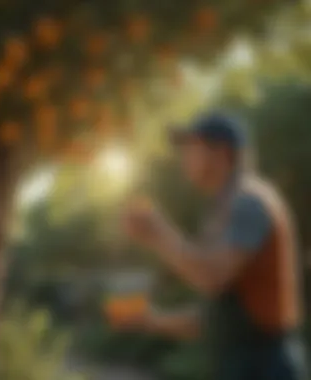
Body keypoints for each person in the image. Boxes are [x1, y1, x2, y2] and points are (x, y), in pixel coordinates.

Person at [120, 112, 308, 380]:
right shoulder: (222, 212)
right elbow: (217, 320)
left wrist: (157, 232)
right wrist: (151, 320)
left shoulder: (250, 202)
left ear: (220, 153)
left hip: (267, 368)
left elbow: (211, 278)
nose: (182, 157)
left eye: (190, 147)